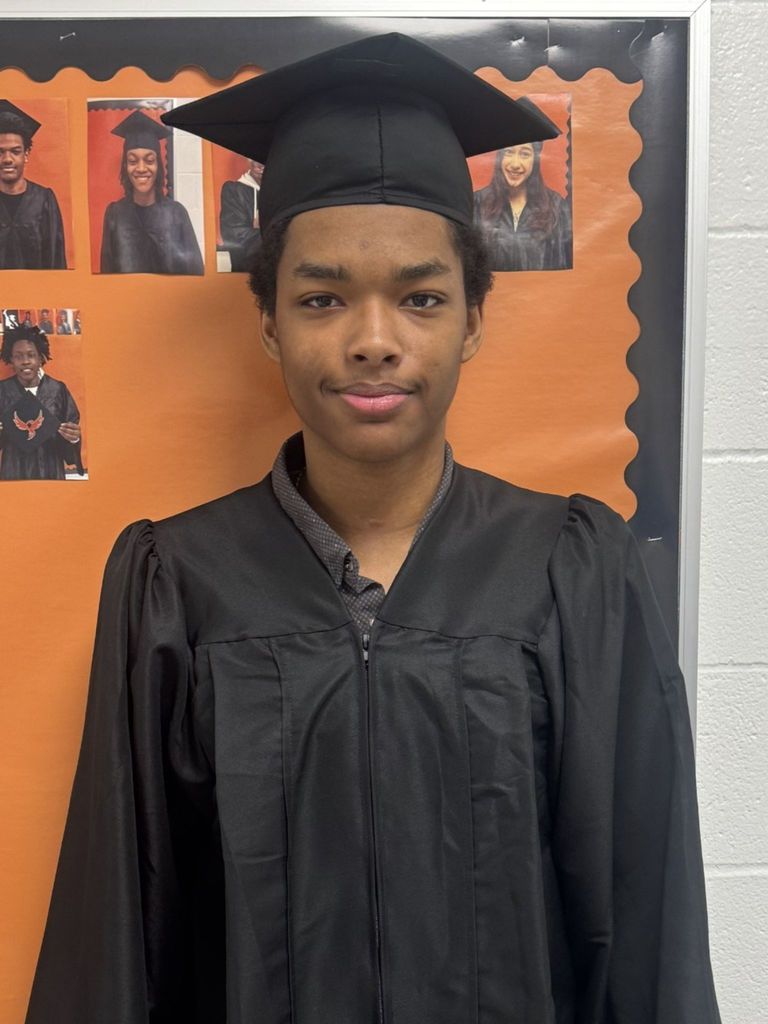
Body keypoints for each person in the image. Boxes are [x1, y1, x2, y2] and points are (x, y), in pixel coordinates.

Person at [26, 33, 720, 1023]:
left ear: (475, 318)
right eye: (322, 297)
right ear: (268, 321)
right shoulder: (175, 585)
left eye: (422, 297)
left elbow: (650, 932)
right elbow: (119, 940)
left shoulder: (576, 572)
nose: (373, 339)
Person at [99, 109, 204, 275]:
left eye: (149, 160)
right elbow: (107, 271)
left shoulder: (176, 213)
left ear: (158, 166)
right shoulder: (115, 214)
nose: (141, 168)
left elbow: (194, 272)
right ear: (125, 167)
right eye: (133, 161)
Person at [474, 124, 572, 272]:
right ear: (499, 157)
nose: (515, 164)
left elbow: (564, 266)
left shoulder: (557, 208)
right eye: (509, 152)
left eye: (525, 154)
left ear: (535, 160)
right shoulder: (476, 204)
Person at [0, 324, 82, 480]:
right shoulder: (2, 391)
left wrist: (74, 438)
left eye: (31, 355)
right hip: (14, 473)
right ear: (10, 360)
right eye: (18, 356)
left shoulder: (58, 390)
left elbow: (70, 447)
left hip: (51, 472)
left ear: (40, 358)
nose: (25, 361)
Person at [0, 100, 67, 270]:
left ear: (26, 154)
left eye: (15, 151)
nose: (7, 159)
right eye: (0, 152)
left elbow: (56, 260)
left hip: (38, 294)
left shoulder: (44, 200)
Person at [219, 157, 264, 271]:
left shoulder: (284, 193)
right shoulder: (234, 190)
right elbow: (237, 238)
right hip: (245, 274)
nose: (258, 165)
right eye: (252, 159)